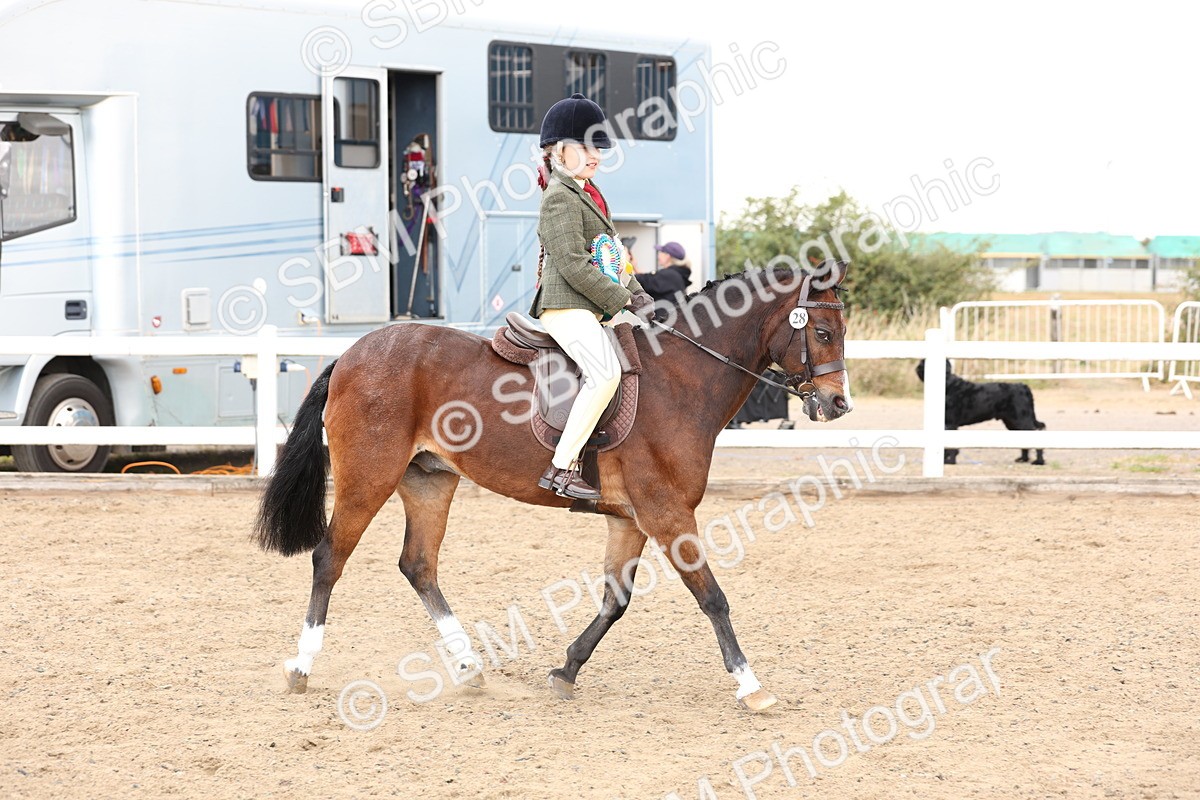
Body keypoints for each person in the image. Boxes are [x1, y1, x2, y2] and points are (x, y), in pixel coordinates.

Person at [529, 93, 654, 501]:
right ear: (557, 152)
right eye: (584, 146)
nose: (594, 155)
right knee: (605, 374)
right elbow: (572, 264)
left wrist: (639, 294)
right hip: (564, 305)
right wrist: (622, 300)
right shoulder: (560, 198)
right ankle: (561, 468)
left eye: (597, 147)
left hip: (589, 303)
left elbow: (611, 258)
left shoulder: (591, 195)